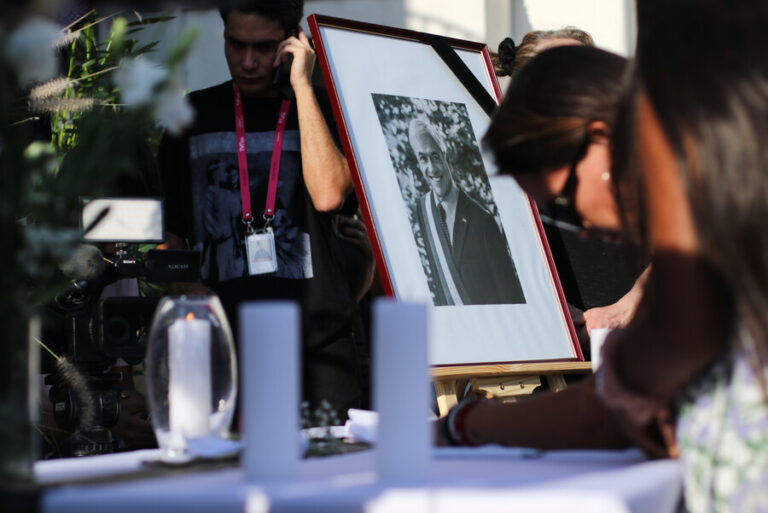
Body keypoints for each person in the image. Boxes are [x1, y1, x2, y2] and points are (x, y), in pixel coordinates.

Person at [445, 1, 768, 509]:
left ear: (599, 139)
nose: (585, 227)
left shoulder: (704, 218)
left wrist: (461, 425)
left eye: (565, 203)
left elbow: (606, 413)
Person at [157, 0, 369, 417]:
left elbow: (329, 195)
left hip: (319, 348)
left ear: (293, 43)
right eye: (236, 44)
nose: (248, 61)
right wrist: (188, 287)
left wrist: (302, 87)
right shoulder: (190, 116)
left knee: (330, 459)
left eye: (264, 47)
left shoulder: (327, 108)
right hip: (223, 348)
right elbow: (168, 231)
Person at [496, 27, 642, 342]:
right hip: (544, 347)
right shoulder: (499, 169)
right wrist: (553, 311)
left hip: (635, 340)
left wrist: (628, 306)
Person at [407, 118, 525, 306]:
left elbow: (510, 297)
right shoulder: (423, 210)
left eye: (435, 157)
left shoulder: (483, 222)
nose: (431, 168)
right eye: (423, 159)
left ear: (446, 156)